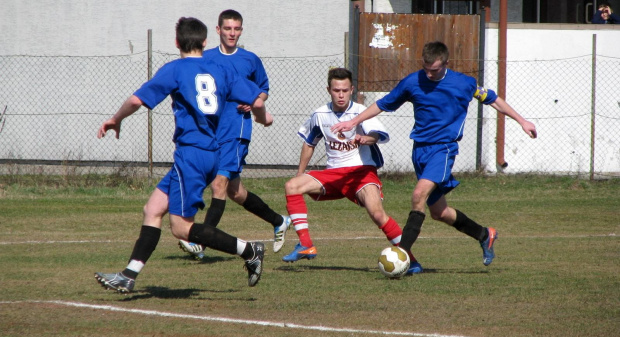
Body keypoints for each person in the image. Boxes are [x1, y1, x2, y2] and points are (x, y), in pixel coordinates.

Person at [94, 17, 272, 293]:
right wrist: (262, 118)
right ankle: (129, 275)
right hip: (211, 154)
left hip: (191, 155)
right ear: (205, 42)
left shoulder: (175, 69)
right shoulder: (220, 68)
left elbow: (135, 100)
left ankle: (249, 250)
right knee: (153, 209)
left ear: (177, 43)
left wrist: (115, 119)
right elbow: (257, 99)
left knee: (180, 228)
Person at [331, 41, 537, 268]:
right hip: (420, 151)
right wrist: (353, 121)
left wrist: (522, 121)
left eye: (435, 70)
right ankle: (484, 234)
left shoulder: (464, 83)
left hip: (443, 148)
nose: (428, 74)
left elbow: (494, 100)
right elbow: (382, 104)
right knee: (440, 213)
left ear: (446, 64)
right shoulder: (412, 81)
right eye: (426, 68)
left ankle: (402, 255)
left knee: (418, 195)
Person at [281, 67, 422, 275]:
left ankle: (411, 260)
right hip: (334, 174)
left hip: (361, 172)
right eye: (336, 90)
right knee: (292, 185)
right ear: (329, 89)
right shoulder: (320, 115)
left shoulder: (360, 112)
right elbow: (309, 143)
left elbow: (378, 135)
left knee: (377, 214)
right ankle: (306, 244)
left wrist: (365, 138)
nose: (341, 95)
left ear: (352, 90)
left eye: (345, 90)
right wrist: (300, 173)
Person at [178, 9, 290, 260]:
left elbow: (263, 91)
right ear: (217, 30)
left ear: (241, 30)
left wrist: (255, 101)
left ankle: (201, 242)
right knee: (235, 191)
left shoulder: (250, 59)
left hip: (237, 130)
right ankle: (279, 220)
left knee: (218, 184)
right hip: (212, 131)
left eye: (236, 29)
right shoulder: (204, 58)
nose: (232, 33)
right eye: (227, 28)